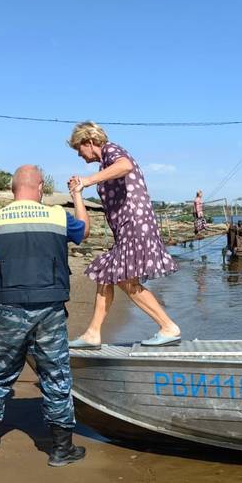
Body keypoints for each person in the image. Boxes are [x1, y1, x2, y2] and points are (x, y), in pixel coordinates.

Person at [0, 164, 90, 467]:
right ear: (40, 188)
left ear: (12, 189)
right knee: (55, 374)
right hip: (49, 307)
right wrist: (77, 195)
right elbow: (84, 230)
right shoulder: (56, 216)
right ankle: (61, 448)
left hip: (7, 307)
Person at [66, 121, 181, 348]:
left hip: (135, 227)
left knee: (123, 279)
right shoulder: (105, 164)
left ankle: (168, 326)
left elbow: (125, 165)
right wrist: (79, 191)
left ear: (89, 142)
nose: (80, 156)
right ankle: (93, 333)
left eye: (79, 149)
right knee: (107, 274)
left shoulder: (111, 150)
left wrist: (87, 181)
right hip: (129, 229)